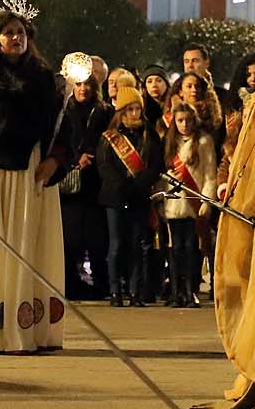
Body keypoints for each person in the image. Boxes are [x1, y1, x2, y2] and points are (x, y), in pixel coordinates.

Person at [0, 4, 67, 353]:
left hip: (29, 171)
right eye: (8, 32)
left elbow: (62, 126)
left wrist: (54, 160)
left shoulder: (43, 78)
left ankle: (24, 331)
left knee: (25, 246)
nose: (15, 38)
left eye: (21, 33)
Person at [97, 86, 162, 307]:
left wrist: (140, 184)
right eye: (130, 109)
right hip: (115, 198)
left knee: (137, 245)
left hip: (139, 196)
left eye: (137, 109)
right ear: (121, 112)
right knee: (116, 246)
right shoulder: (110, 137)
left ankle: (136, 292)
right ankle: (116, 292)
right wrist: (121, 186)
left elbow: (155, 165)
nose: (134, 114)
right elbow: (104, 165)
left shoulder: (149, 134)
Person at [57, 58, 112, 300]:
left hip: (95, 183)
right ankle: (71, 284)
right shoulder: (63, 111)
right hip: (69, 183)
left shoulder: (104, 112)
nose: (83, 89)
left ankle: (101, 285)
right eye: (78, 84)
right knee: (70, 240)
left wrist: (92, 155)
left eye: (87, 84)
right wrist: (75, 158)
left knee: (96, 239)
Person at [159, 102, 217, 308]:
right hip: (173, 205)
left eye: (188, 120)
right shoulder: (169, 142)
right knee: (174, 250)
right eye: (180, 120)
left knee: (192, 249)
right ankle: (176, 292)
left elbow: (210, 175)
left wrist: (207, 202)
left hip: (194, 204)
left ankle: (190, 290)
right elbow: (161, 173)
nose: (184, 124)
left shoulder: (203, 142)